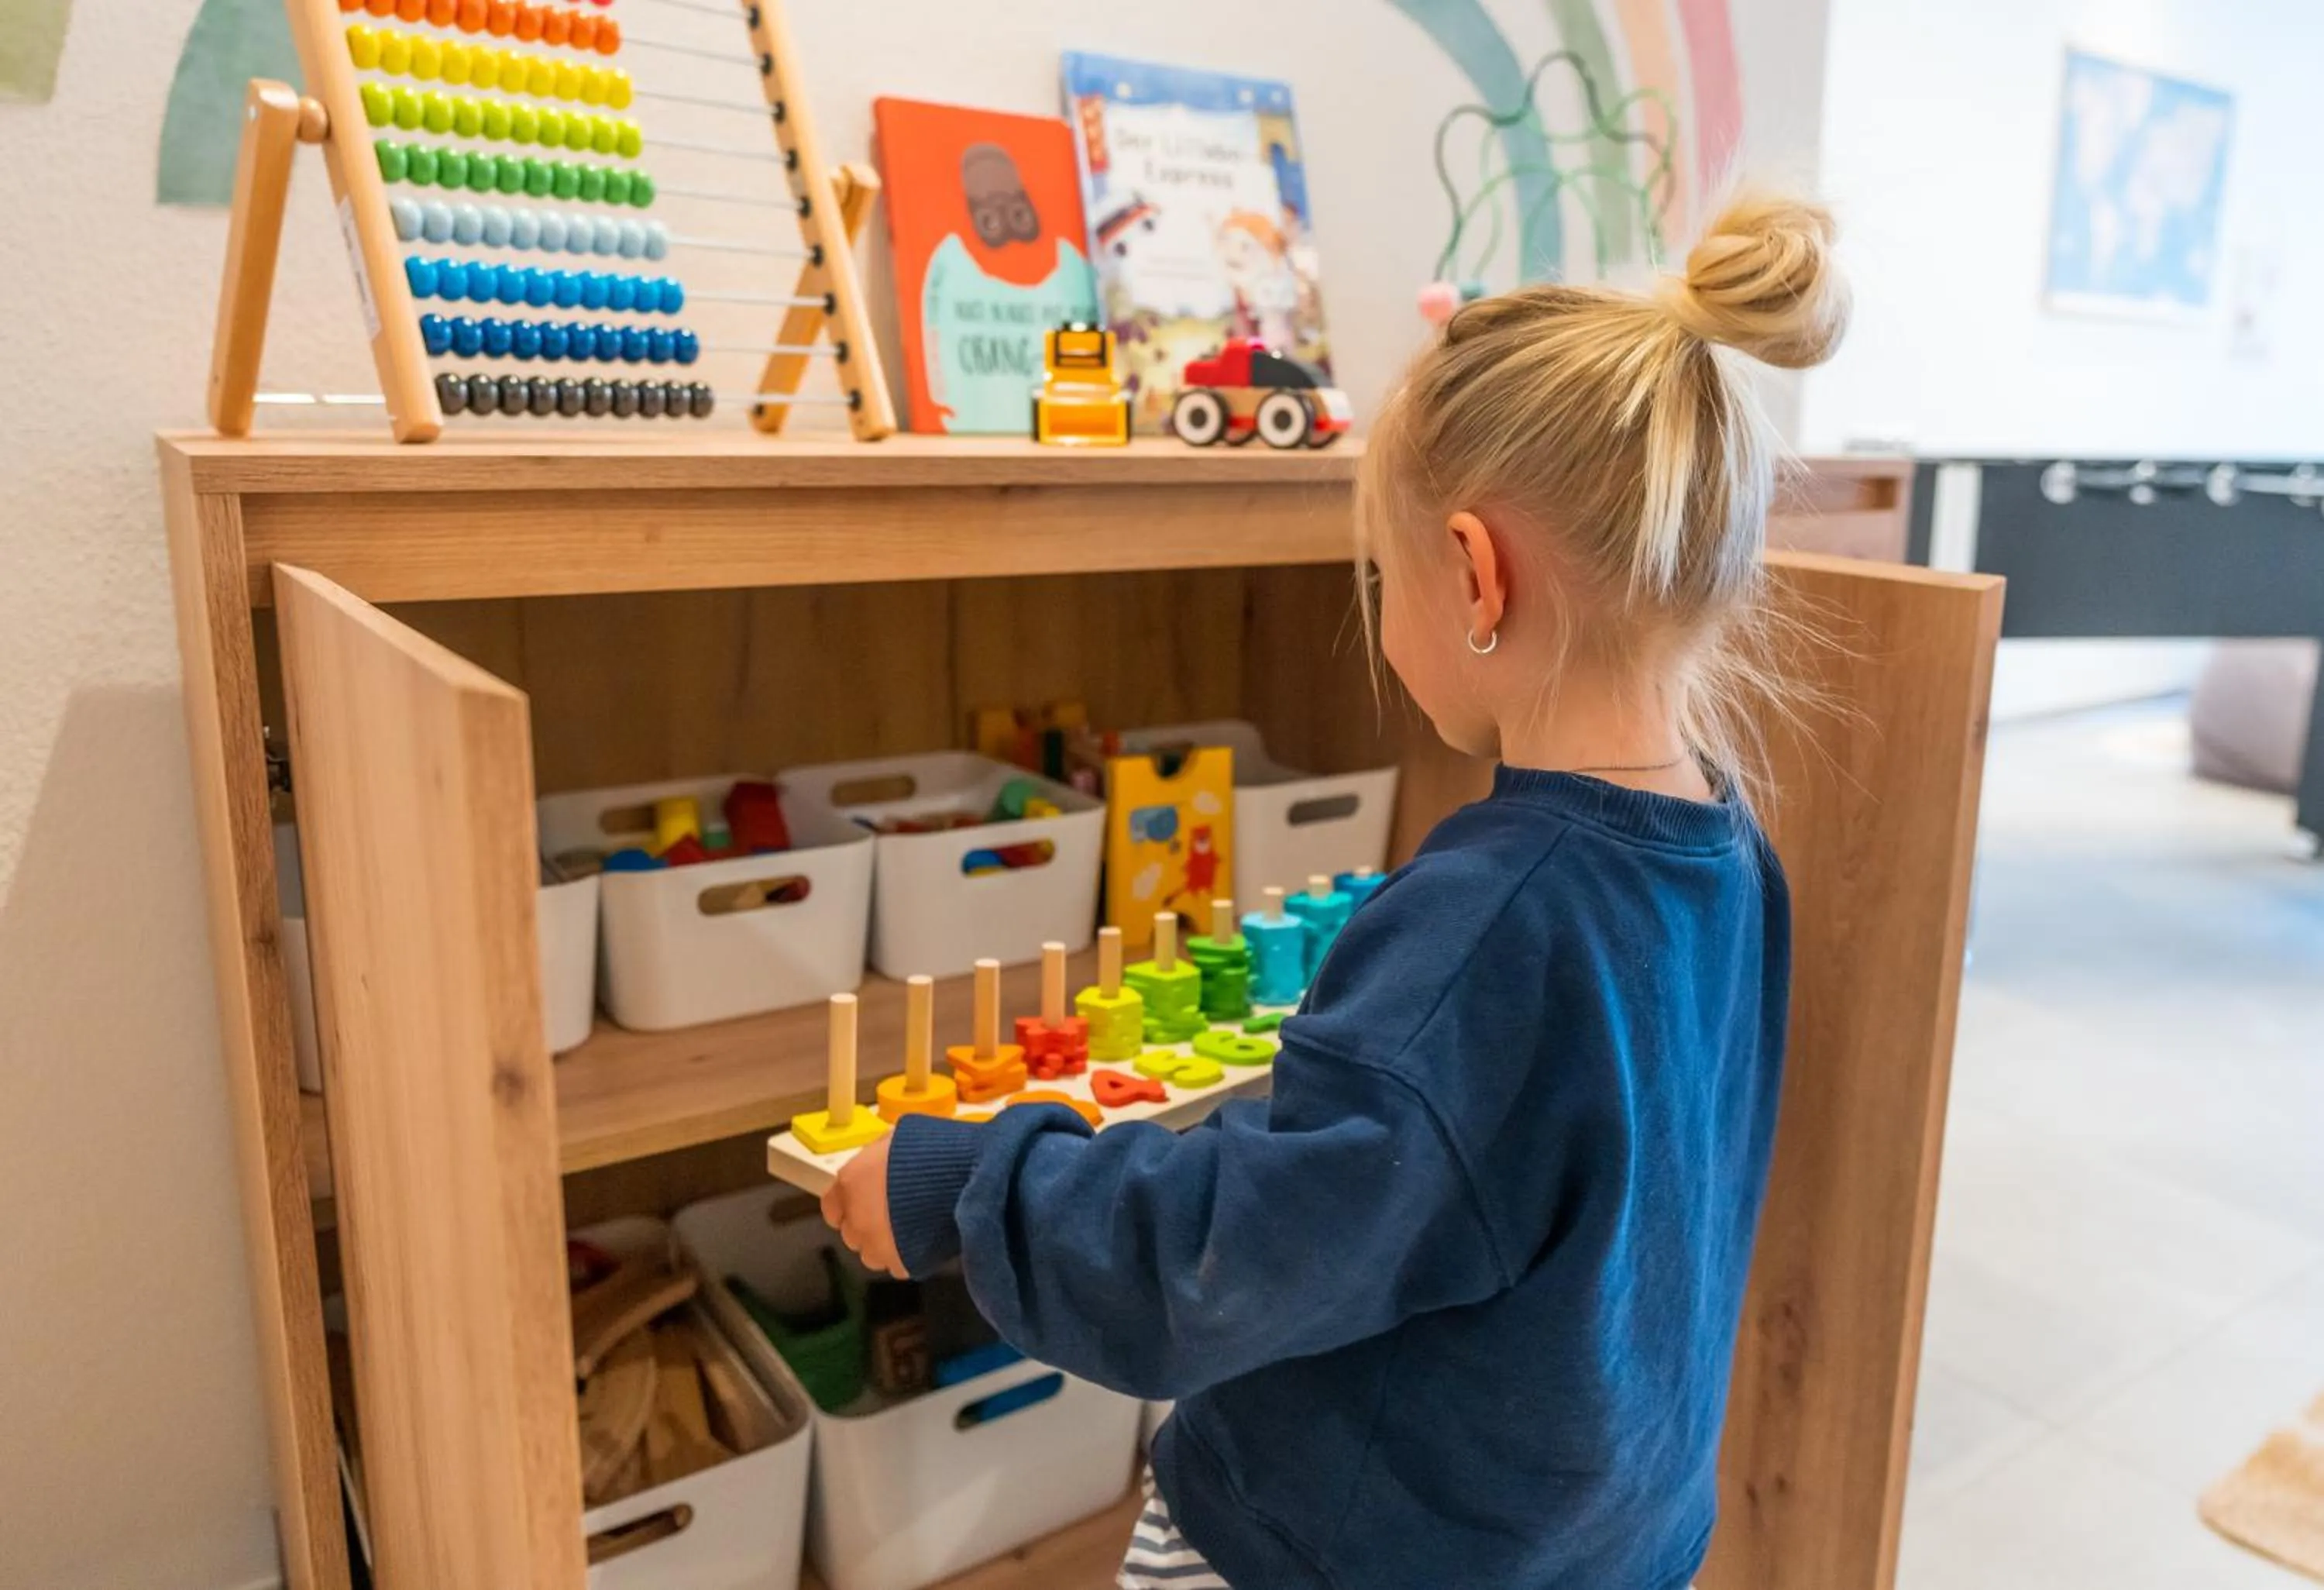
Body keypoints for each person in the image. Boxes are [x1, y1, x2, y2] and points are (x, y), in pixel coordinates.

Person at [820, 191, 1851, 1589]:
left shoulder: (1486, 928)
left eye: (1382, 573)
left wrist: (961, 1185)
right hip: (1606, 1539)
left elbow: (1212, 1264)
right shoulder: (1732, 854)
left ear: (1477, 575)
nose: (1381, 608)